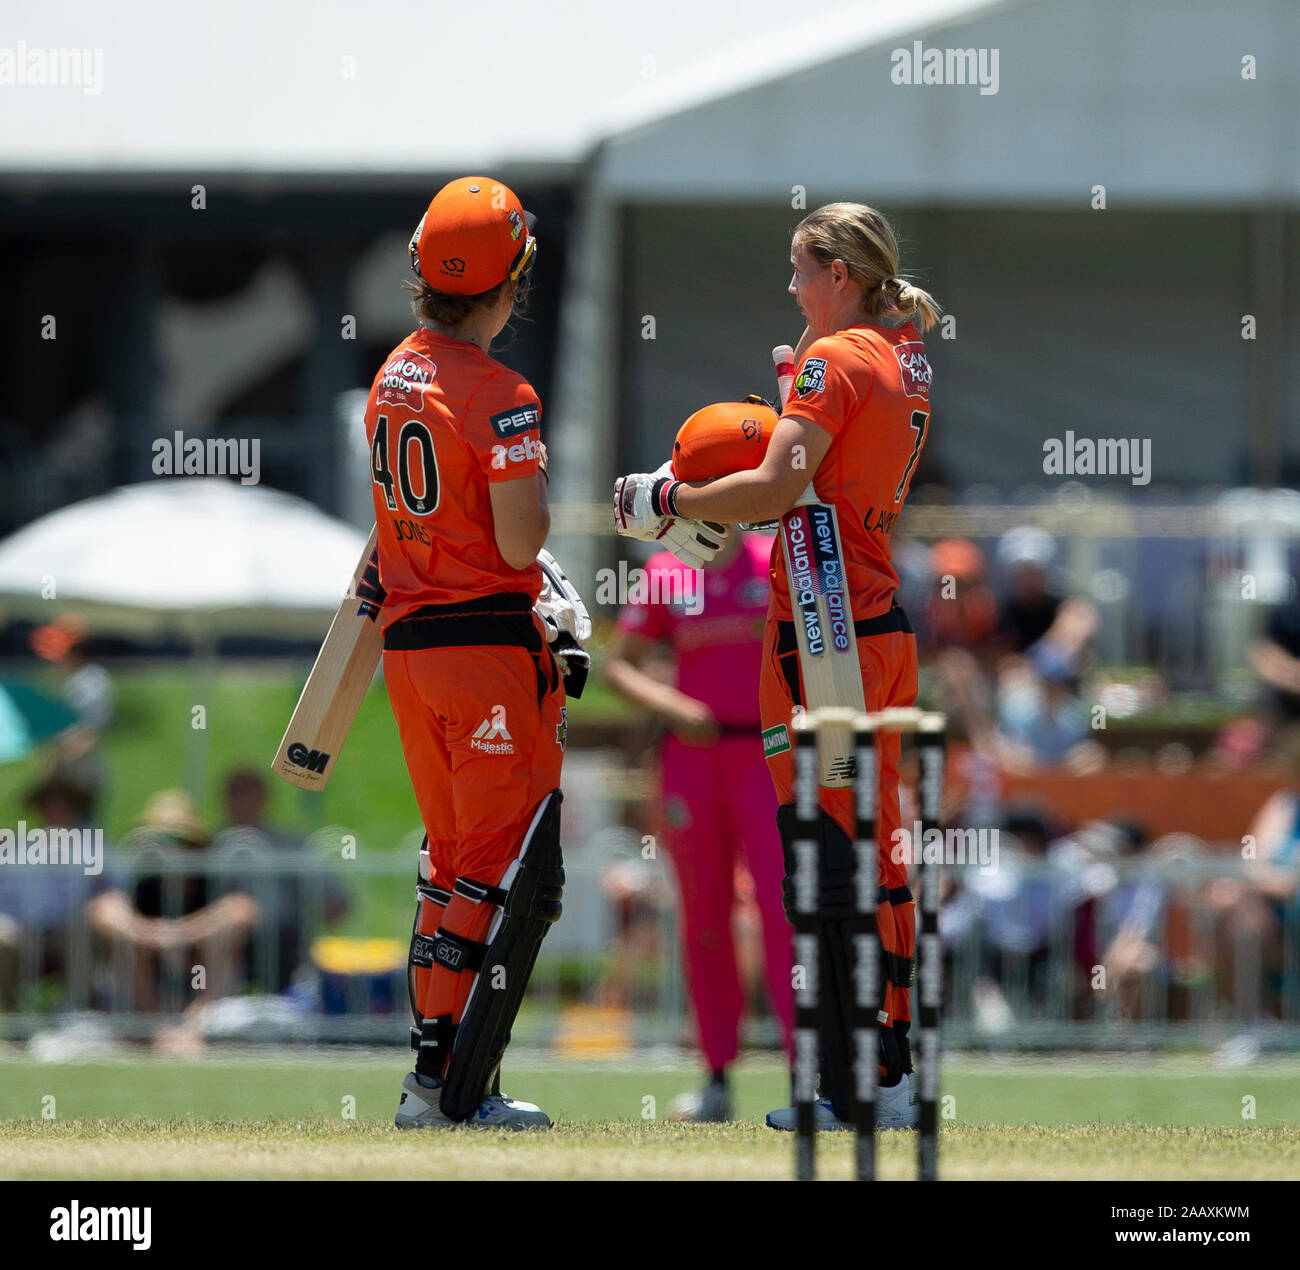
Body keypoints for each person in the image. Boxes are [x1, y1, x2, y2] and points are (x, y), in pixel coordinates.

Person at [614, 201, 942, 1131]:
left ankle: (847, 1083)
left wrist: (669, 494)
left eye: (802, 270)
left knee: (827, 859)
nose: (791, 287)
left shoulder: (839, 361)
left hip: (823, 631)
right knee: (874, 854)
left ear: (840, 272)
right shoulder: (903, 351)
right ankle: (892, 1067)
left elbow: (776, 484)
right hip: (879, 624)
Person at [365, 177, 583, 1130]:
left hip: (408, 650)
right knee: (506, 871)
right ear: (514, 282)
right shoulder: (503, 393)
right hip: (485, 646)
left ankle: (430, 1081)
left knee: (450, 865)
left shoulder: (389, 374)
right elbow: (518, 543)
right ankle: (458, 1089)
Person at [604, 531, 794, 1121]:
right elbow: (618, 666)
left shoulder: (778, 562)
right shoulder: (666, 574)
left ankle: (806, 1075)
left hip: (769, 753)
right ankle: (715, 1075)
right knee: (703, 916)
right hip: (694, 758)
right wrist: (672, 705)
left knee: (784, 911)